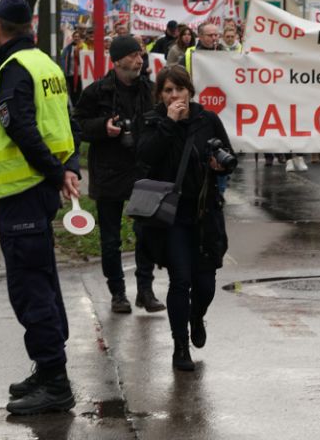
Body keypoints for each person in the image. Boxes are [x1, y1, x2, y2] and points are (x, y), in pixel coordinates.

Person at [0, 0, 81, 415]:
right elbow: (68, 124)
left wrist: (59, 175)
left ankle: (55, 380)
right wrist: (68, 168)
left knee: (30, 285)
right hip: (40, 190)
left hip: (24, 191)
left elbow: (19, 126)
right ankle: (47, 367)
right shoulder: (48, 65)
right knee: (43, 277)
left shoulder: (14, 68)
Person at [136, 66, 232, 372]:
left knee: (205, 284)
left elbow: (229, 156)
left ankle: (197, 315)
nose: (174, 96)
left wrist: (220, 165)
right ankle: (180, 347)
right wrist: (169, 123)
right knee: (181, 280)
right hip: (172, 216)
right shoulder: (154, 121)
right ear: (160, 95)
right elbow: (146, 155)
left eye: (179, 89)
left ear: (189, 90)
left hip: (205, 214)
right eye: (167, 91)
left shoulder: (208, 120)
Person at [74, 35, 164, 315]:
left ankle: (145, 291)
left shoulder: (150, 91)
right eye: (134, 55)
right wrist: (103, 127)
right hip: (109, 171)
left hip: (142, 170)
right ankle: (118, 293)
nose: (140, 60)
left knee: (145, 232)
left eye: (141, 55)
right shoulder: (97, 92)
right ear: (117, 60)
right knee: (111, 239)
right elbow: (77, 124)